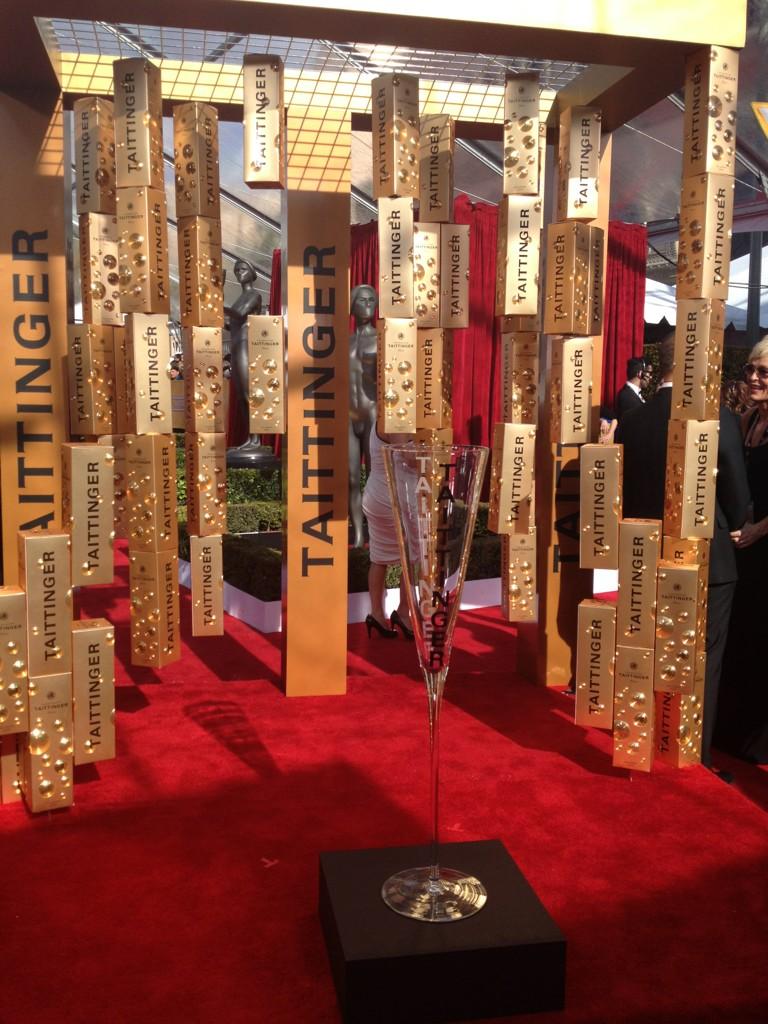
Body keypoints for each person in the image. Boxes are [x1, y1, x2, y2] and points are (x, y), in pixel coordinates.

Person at [616, 335, 750, 776]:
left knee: (652, 651)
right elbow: (738, 500)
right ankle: (696, 759)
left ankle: (650, 739)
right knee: (702, 661)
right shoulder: (718, 418)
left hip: (647, 558)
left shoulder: (632, 420)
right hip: (710, 560)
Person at [714, 339, 768, 764]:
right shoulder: (747, 418)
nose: (753, 378)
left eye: (763, 372)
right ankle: (731, 732)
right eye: (750, 369)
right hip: (744, 550)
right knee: (742, 636)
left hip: (763, 546)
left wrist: (761, 528)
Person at [361, 428, 414, 639]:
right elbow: (408, 457)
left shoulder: (381, 418)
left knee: (379, 558)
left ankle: (376, 614)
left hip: (378, 494)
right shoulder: (397, 418)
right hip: (391, 498)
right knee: (412, 557)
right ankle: (404, 612)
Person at [225, 258, 272, 457]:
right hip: (236, 346)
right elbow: (229, 323)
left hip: (246, 345)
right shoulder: (239, 297)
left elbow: (238, 314)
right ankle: (251, 438)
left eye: (243, 269)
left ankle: (256, 438)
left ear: (252, 274)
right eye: (237, 270)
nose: (239, 273)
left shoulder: (254, 295)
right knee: (240, 394)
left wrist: (216, 296)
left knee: (248, 392)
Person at [349, 284, 379, 548]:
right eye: (362, 300)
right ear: (352, 305)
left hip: (372, 412)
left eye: (371, 300)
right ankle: (358, 535)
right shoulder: (343, 342)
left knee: (373, 476)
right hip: (348, 415)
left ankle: (374, 533)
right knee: (350, 478)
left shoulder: (382, 339)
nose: (367, 305)